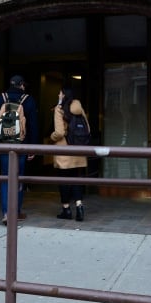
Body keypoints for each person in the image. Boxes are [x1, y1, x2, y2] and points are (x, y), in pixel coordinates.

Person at [0, 75, 39, 225]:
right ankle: (15, 212)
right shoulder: (28, 100)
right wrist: (33, 147)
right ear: (22, 85)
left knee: (6, 178)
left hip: (3, 145)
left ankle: (6, 213)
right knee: (18, 178)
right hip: (21, 145)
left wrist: (2, 131)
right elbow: (34, 126)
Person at [50, 87, 89, 221]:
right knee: (76, 179)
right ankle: (79, 206)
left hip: (64, 151)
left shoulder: (59, 109)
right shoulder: (79, 108)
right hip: (78, 150)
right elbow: (87, 128)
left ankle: (66, 209)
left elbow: (60, 132)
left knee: (64, 180)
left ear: (63, 95)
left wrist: (52, 136)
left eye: (59, 93)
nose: (58, 94)